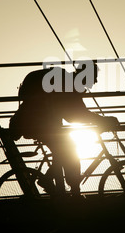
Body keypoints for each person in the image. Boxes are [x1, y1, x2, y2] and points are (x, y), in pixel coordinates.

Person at [9, 61, 119, 197]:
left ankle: (52, 181)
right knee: (70, 151)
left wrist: (99, 120)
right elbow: (76, 115)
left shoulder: (68, 82)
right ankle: (73, 193)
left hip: (39, 124)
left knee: (64, 150)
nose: (95, 82)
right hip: (39, 125)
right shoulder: (68, 84)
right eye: (94, 77)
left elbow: (75, 114)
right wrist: (103, 120)